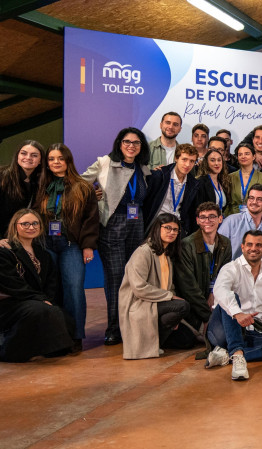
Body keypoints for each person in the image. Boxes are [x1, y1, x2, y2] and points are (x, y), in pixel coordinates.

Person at [81, 127, 152, 345]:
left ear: (142, 147)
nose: (131, 146)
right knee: (115, 278)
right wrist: (92, 194)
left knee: (134, 276)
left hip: (136, 223)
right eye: (127, 142)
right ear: (119, 143)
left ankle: (130, 323)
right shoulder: (105, 163)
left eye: (136, 143)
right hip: (112, 224)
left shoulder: (144, 168)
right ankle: (114, 328)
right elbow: (79, 182)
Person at [206, 229, 262, 381]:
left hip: (248, 331)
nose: (253, 248)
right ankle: (238, 356)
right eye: (249, 244)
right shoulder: (231, 268)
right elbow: (220, 291)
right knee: (230, 297)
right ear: (242, 247)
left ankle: (228, 355)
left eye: (258, 245)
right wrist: (238, 314)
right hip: (221, 329)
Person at [35, 143, 99, 346]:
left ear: (68, 161)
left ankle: (75, 336)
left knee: (74, 288)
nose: (56, 162)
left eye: (60, 158)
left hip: (71, 244)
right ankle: (54, 335)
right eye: (52, 159)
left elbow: (91, 218)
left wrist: (88, 245)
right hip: (45, 243)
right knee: (50, 289)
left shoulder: (82, 186)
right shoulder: (41, 185)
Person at [0, 209, 74, 361]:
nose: (31, 227)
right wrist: (40, 299)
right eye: (25, 224)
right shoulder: (5, 251)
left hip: (32, 301)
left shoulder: (43, 253)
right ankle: (8, 352)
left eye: (35, 223)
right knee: (38, 310)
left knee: (63, 317)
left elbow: (51, 284)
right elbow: (12, 284)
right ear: (15, 226)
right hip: (10, 303)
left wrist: (47, 300)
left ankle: (46, 349)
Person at [117, 214, 190, 359]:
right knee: (182, 306)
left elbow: (170, 285)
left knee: (187, 341)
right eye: (168, 228)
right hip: (140, 303)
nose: (172, 232)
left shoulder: (166, 253)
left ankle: (157, 342)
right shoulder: (143, 252)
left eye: (175, 230)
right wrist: (170, 297)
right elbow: (139, 288)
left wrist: (173, 312)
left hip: (156, 302)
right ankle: (153, 345)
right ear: (157, 228)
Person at [175, 202, 233, 340]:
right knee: (216, 338)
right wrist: (208, 315)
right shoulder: (186, 245)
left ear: (220, 219)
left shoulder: (225, 243)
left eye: (212, 216)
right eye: (203, 217)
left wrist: (214, 292)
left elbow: (225, 276)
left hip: (216, 298)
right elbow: (188, 288)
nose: (207, 221)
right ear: (197, 220)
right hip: (194, 305)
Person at [144, 143, 201, 234]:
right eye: (184, 159)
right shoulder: (159, 175)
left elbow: (190, 212)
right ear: (176, 158)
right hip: (156, 225)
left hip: (177, 227)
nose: (187, 164)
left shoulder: (193, 183)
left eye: (192, 161)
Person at [218, 183, 262, 259]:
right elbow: (218, 249)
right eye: (251, 198)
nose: (254, 202)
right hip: (234, 269)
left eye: (259, 199)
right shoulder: (231, 221)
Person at [0, 140, 43, 232]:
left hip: (20, 236)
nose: (28, 158)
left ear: (40, 161)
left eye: (34, 155)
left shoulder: (38, 182)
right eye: (24, 153)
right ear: (17, 156)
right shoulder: (2, 176)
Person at [226, 143, 262, 217]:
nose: (243, 157)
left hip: (256, 218)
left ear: (254, 156)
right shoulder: (230, 177)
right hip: (235, 218)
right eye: (240, 154)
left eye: (247, 154)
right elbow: (227, 203)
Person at [196, 147, 231, 214]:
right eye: (212, 160)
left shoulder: (223, 182)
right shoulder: (200, 182)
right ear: (206, 163)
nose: (216, 163)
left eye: (219, 160)